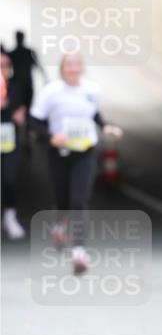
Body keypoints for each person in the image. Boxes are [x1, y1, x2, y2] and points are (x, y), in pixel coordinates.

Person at [30, 51, 123, 274]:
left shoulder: (91, 90)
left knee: (79, 200)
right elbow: (34, 120)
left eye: (76, 65)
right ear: (62, 68)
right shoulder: (51, 92)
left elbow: (94, 114)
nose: (72, 69)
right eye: (68, 65)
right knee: (62, 197)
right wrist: (50, 137)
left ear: (82, 68)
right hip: (59, 151)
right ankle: (59, 225)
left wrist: (106, 127)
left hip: (84, 150)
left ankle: (79, 252)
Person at [1, 51, 29, 240]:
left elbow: (23, 112)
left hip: (8, 142)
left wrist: (20, 115)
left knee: (9, 179)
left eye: (4, 66)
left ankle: (10, 217)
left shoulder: (16, 88)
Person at [8, 30, 46, 113]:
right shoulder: (13, 53)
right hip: (17, 86)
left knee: (27, 109)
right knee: (16, 109)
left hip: (27, 84)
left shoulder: (29, 52)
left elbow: (38, 65)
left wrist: (45, 78)